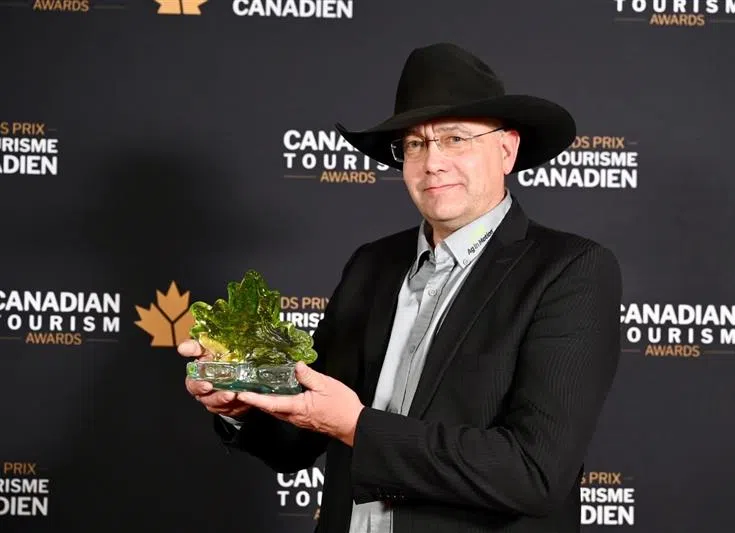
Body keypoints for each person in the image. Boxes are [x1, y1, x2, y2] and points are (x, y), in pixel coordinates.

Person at [179, 42, 622, 533]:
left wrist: (357, 427)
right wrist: (246, 405)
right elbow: (301, 437)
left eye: (455, 139)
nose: (432, 162)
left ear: (506, 150)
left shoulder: (570, 270)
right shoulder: (372, 265)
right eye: (414, 144)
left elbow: (534, 473)